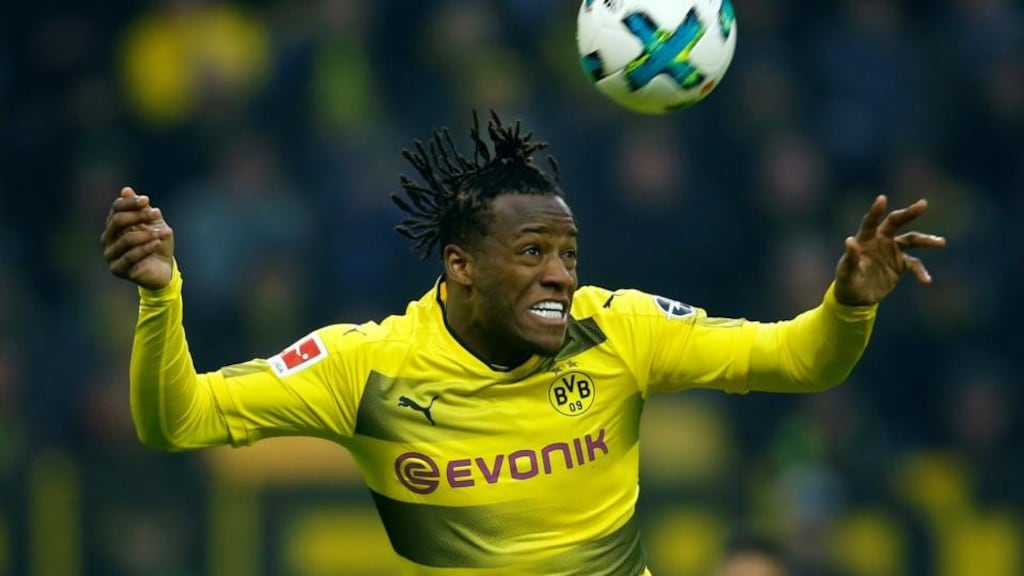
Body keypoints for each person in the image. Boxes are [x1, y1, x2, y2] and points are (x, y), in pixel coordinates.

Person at [101, 111, 945, 576]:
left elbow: (801, 360)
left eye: (568, 254)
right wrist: (161, 299)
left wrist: (848, 304)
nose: (561, 277)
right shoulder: (367, 367)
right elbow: (178, 421)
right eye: (533, 254)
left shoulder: (618, 331)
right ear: (461, 265)